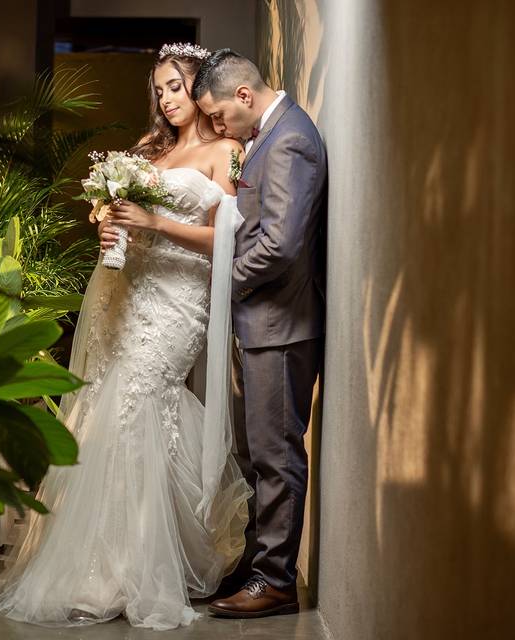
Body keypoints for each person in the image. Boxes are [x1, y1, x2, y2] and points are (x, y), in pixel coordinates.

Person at [0, 43, 251, 631]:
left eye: (175, 86)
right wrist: (106, 216)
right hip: (125, 292)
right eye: (158, 89)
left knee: (140, 406)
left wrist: (155, 221)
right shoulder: (147, 151)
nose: (165, 98)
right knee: (105, 408)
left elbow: (229, 241)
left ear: (200, 86)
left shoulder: (226, 153)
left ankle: (140, 564)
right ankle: (101, 564)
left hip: (178, 300)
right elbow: (107, 211)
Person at [192, 48, 327, 619]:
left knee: (275, 457)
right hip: (262, 323)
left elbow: (279, 244)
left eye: (219, 115)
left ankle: (273, 581)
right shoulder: (269, 138)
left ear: (243, 96)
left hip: (280, 326)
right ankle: (256, 564)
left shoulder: (291, 141)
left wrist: (225, 284)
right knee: (256, 456)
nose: (217, 129)